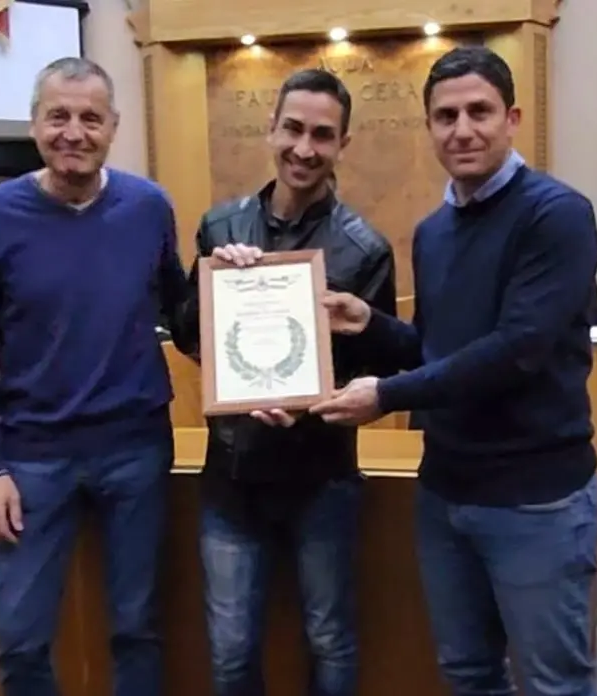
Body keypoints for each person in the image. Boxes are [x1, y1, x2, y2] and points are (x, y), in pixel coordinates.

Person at [309, 46, 597, 696]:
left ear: (511, 119)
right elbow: (438, 349)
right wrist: (371, 324)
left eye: (479, 112)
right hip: (445, 491)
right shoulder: (434, 231)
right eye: (446, 116)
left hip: (536, 498)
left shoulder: (556, 214)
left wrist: (386, 395)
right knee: (466, 674)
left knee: (553, 683)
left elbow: (517, 350)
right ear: (429, 127)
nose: (462, 130)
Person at [0, 56, 188, 696]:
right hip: (31, 460)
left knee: (137, 628)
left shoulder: (149, 207)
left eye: (90, 118)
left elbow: (184, 312)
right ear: (34, 124)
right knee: (20, 639)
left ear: (113, 127)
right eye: (58, 116)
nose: (74, 133)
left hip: (136, 450)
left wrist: (238, 282)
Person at [173, 68, 397, 696]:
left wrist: (310, 404)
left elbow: (378, 369)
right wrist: (213, 277)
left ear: (342, 144)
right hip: (231, 479)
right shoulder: (220, 228)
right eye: (293, 128)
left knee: (330, 640)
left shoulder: (366, 248)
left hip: (322, 478)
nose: (304, 147)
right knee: (230, 651)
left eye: (322, 135)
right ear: (271, 129)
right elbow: (188, 335)